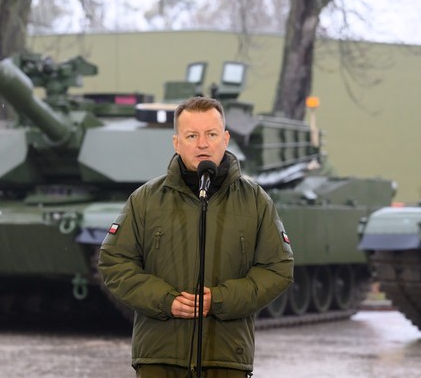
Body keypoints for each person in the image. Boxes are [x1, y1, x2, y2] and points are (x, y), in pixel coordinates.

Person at [98, 96, 294, 377]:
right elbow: (114, 262)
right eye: (192, 135)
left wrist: (220, 300)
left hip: (225, 358)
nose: (203, 143)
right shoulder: (145, 200)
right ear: (177, 143)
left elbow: (278, 269)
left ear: (225, 139)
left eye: (211, 134)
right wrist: (166, 300)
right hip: (159, 358)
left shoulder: (255, 202)